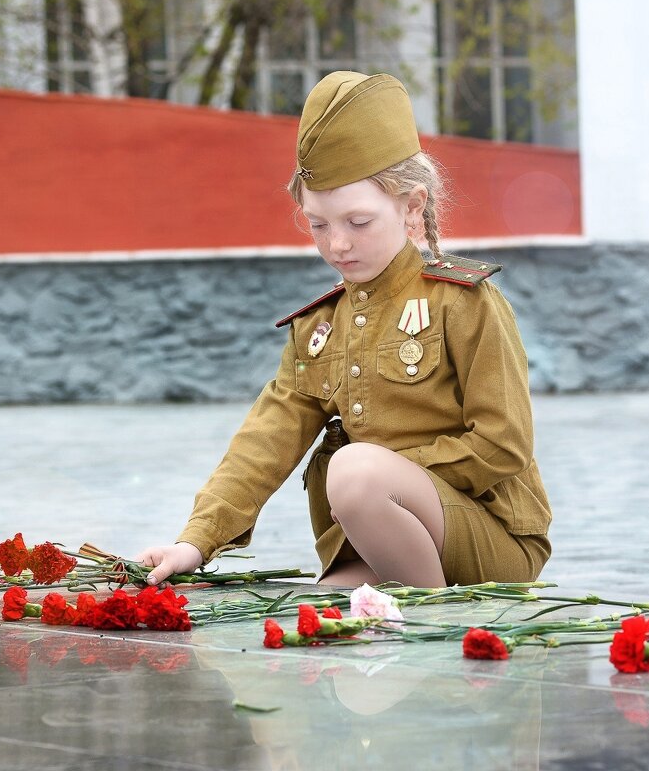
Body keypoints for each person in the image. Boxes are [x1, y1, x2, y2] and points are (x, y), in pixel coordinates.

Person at [135, 71, 551, 588]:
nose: (338, 245)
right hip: (374, 538)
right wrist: (195, 542)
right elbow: (267, 440)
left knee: (354, 470)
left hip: (487, 535)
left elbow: (503, 443)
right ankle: (407, 607)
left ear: (412, 207)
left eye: (358, 222)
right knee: (317, 614)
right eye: (318, 224)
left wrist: (389, 476)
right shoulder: (320, 327)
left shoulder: (463, 302)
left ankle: (431, 626)